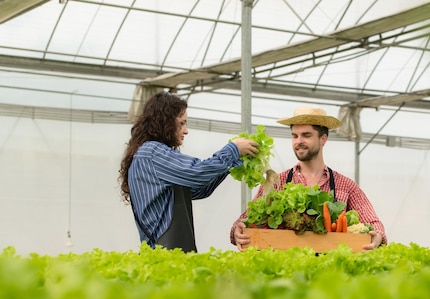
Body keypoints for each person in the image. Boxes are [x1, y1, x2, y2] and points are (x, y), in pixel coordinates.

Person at [230, 106, 387, 251]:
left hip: (330, 271)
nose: (299, 141)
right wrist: (238, 228)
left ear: (323, 139)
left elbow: (374, 223)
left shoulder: (345, 185)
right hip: (288, 269)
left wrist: (377, 235)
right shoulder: (277, 182)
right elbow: (248, 218)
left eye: (306, 135)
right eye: (295, 136)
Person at [119, 91, 259, 252]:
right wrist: (232, 150)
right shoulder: (152, 153)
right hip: (164, 255)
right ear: (165, 122)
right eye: (181, 123)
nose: (186, 131)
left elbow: (200, 189)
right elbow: (197, 173)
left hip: (167, 254)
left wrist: (232, 162)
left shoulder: (150, 154)